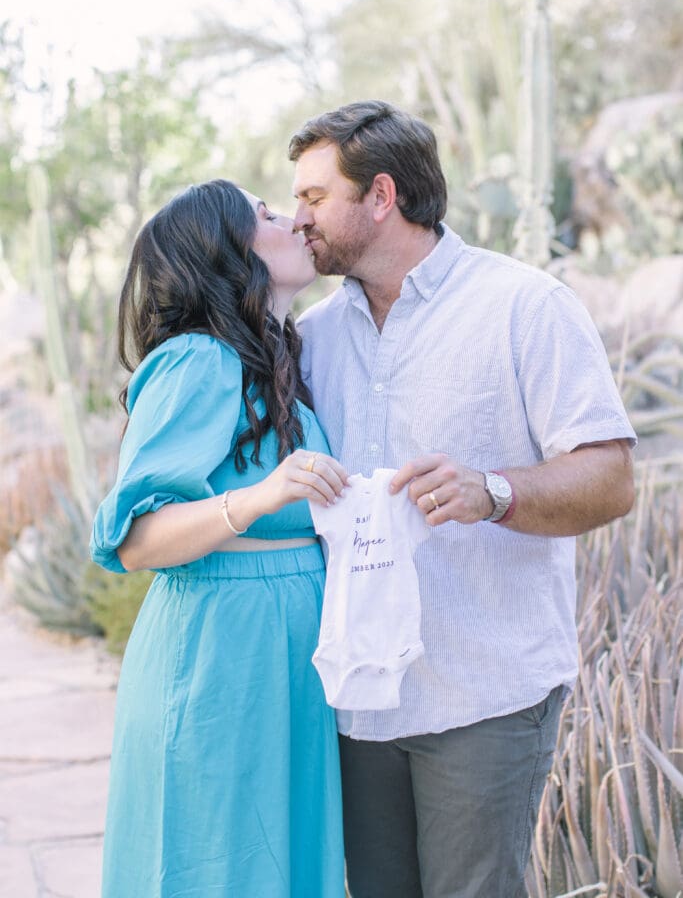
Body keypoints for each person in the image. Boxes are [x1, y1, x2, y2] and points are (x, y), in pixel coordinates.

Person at [288, 100, 636, 898]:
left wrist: (495, 491)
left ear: (380, 196)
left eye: (313, 197)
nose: (297, 217)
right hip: (355, 702)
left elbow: (611, 476)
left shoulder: (524, 306)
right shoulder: (311, 338)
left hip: (480, 692)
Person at [90, 179, 347, 898]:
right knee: (215, 863)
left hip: (285, 651)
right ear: (227, 252)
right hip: (222, 650)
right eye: (264, 215)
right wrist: (260, 497)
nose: (290, 217)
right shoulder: (199, 360)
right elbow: (137, 538)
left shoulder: (275, 363)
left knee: (277, 864)